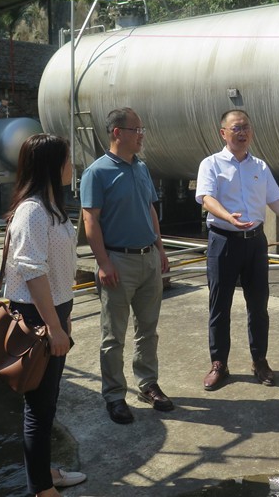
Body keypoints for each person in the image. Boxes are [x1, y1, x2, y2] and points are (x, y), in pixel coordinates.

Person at [196, 109, 279, 391]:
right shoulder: (211, 164)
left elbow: (274, 200)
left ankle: (259, 360)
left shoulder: (260, 167)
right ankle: (219, 363)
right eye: (236, 128)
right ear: (223, 133)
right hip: (223, 240)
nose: (243, 133)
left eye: (246, 127)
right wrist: (227, 217)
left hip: (255, 243)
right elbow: (206, 198)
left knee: (259, 305)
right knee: (219, 305)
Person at [5, 133, 86, 496]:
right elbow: (32, 273)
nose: (72, 166)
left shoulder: (51, 207)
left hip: (54, 311)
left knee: (48, 403)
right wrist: (53, 326)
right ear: (52, 165)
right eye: (67, 160)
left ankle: (45, 471)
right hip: (38, 317)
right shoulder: (33, 211)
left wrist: (63, 316)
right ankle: (41, 488)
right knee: (38, 408)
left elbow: (55, 272)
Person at [80, 108, 172, 424]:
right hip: (118, 261)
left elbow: (150, 209)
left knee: (148, 329)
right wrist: (103, 263)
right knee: (113, 335)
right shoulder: (97, 172)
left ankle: (148, 384)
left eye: (142, 129)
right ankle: (115, 395)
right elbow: (90, 220)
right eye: (137, 129)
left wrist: (160, 249)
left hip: (148, 259)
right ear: (117, 133)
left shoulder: (141, 168)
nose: (142, 135)